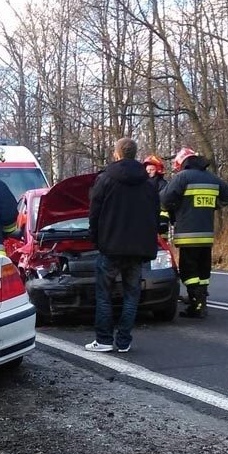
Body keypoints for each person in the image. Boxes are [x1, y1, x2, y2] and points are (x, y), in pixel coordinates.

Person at [84, 137, 160, 353]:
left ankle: (104, 340)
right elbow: (155, 215)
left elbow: (94, 213)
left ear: (116, 154)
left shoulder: (106, 179)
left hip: (110, 246)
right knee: (131, 295)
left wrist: (95, 238)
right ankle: (124, 341)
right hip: (137, 249)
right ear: (134, 154)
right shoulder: (147, 183)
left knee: (104, 294)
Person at [162, 147, 228, 318]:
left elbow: (164, 199)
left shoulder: (182, 177)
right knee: (203, 271)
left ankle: (197, 305)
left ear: (182, 163)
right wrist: (213, 205)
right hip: (207, 234)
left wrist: (176, 208)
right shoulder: (212, 178)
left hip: (187, 234)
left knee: (188, 271)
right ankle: (202, 301)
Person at [144, 154, 171, 234]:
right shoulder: (142, 184)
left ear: (158, 170)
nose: (148, 172)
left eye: (151, 170)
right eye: (147, 170)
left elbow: (164, 204)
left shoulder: (163, 185)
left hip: (161, 225)